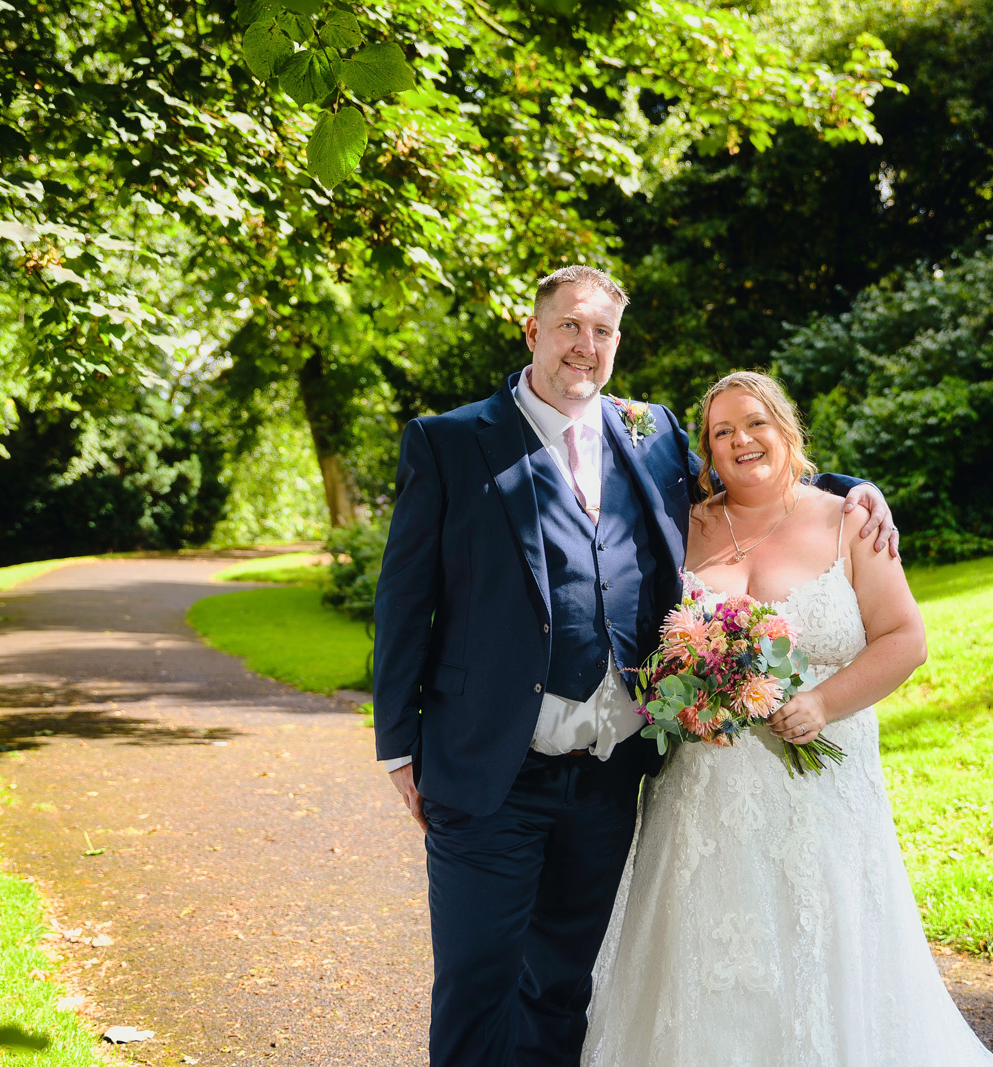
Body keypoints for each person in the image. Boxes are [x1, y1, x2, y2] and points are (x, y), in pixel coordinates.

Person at [371, 266, 898, 1067]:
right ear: (533, 333)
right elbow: (404, 601)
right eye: (570, 327)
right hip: (488, 768)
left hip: (610, 777)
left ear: (617, 342)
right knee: (479, 982)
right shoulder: (450, 440)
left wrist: (856, 489)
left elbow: (753, 477)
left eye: (603, 332)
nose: (586, 346)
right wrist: (398, 746)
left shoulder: (648, 435)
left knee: (561, 985)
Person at [580, 371, 993, 1066]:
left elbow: (905, 639)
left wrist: (823, 701)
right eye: (722, 432)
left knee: (819, 946)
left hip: (820, 795)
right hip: (703, 795)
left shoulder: (849, 518)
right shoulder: (681, 529)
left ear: (786, 428)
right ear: (705, 450)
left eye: (755, 422)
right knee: (704, 957)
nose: (741, 440)